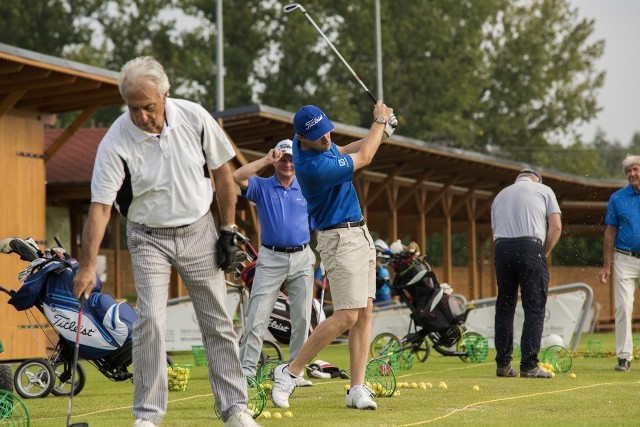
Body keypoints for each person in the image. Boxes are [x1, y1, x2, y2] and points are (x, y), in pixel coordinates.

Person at [71, 56, 258, 427]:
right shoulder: (116, 140)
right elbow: (100, 208)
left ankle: (235, 409)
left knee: (218, 320)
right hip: (147, 237)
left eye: (148, 107)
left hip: (199, 228)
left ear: (165, 94)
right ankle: (148, 416)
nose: (141, 116)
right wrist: (88, 265)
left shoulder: (194, 117)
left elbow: (223, 174)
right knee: (151, 322)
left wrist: (227, 229)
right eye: (132, 107)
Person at [271, 101, 396, 410]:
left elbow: (348, 149)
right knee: (347, 315)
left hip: (358, 233)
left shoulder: (319, 145)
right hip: (339, 238)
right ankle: (290, 372)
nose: (327, 139)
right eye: (320, 136)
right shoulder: (311, 166)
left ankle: (356, 388)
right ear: (301, 138)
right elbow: (364, 156)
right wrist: (379, 121)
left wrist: (381, 132)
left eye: (328, 131)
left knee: (364, 313)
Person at [232, 140, 316, 385]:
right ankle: (247, 371)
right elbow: (238, 176)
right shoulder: (262, 186)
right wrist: (266, 159)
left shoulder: (307, 188)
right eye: (283, 159)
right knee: (257, 313)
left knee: (302, 317)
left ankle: (294, 371)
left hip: (302, 255)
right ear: (276, 160)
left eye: (292, 159)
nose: (288, 163)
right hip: (270, 256)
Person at [491, 168, 562, 379]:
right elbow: (556, 227)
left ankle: (503, 365)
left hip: (502, 249)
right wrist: (544, 253)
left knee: (504, 305)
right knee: (534, 306)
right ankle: (529, 365)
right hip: (530, 247)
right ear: (537, 179)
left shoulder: (500, 196)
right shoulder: (544, 190)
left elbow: (495, 233)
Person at [598, 155, 640, 372]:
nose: (632, 174)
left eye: (635, 169)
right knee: (624, 306)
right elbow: (610, 232)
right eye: (628, 171)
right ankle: (624, 357)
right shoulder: (617, 198)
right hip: (624, 258)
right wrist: (606, 265)